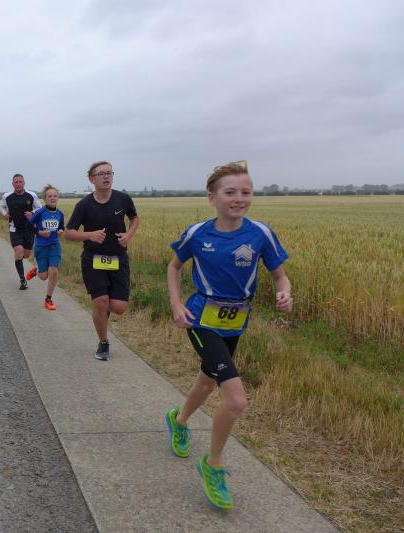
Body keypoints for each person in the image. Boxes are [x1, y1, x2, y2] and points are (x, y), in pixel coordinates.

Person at [164, 161, 292, 511]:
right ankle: (214, 465)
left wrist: (285, 292)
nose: (239, 198)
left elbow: (280, 275)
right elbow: (174, 267)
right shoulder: (197, 233)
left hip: (236, 322)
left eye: (246, 192)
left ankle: (178, 421)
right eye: (230, 192)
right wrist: (176, 305)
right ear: (212, 198)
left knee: (207, 382)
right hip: (200, 320)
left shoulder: (261, 233)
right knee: (236, 401)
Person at [64, 161, 138, 360]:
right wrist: (89, 235)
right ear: (92, 179)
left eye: (109, 173)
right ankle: (103, 342)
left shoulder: (123, 199)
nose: (106, 176)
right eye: (101, 174)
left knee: (119, 307)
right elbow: (69, 233)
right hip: (93, 259)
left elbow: (134, 218)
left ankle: (103, 312)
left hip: (118, 258)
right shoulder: (84, 205)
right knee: (100, 301)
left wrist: (129, 235)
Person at [0, 174, 42, 290]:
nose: (18, 184)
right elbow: (2, 206)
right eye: (16, 182)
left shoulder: (31, 195)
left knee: (26, 255)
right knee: (19, 251)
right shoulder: (7, 196)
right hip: (14, 228)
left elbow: (39, 208)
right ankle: (23, 280)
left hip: (28, 229)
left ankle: (22, 262)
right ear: (13, 184)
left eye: (20, 182)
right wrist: (5, 214)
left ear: (24, 183)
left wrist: (32, 213)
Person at [26, 185, 65, 310]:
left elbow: (61, 227)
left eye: (55, 196)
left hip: (54, 245)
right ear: (45, 199)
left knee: (53, 270)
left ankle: (48, 299)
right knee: (43, 277)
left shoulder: (60, 213)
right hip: (41, 246)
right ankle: (36, 270)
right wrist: (40, 233)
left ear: (57, 198)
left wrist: (61, 231)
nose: (52, 198)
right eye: (49, 196)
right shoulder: (39, 213)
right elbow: (28, 226)